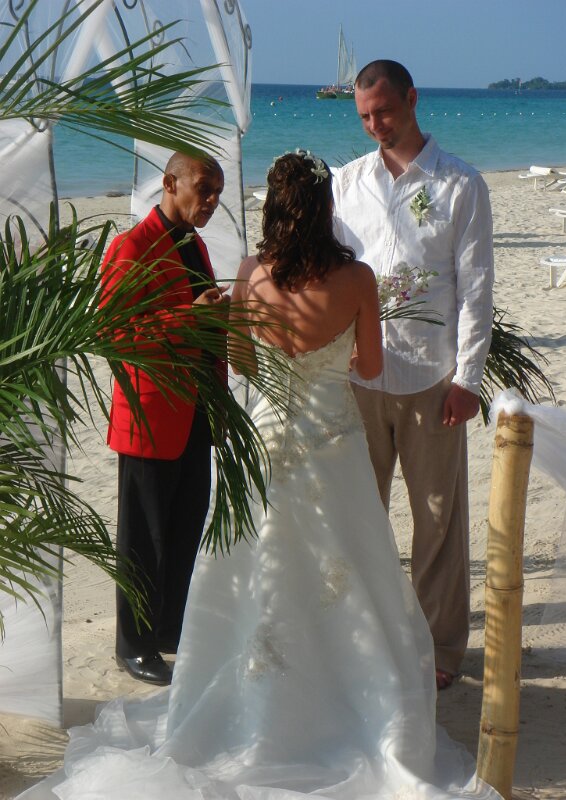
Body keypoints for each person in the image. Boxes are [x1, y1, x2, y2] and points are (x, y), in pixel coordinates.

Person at [15, 150, 501, 800]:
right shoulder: (356, 279)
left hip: (268, 440)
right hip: (332, 441)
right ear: (326, 208)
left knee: (257, 561)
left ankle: (251, 692)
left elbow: (240, 362)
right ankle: (349, 687)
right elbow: (367, 362)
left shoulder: (251, 273)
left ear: (272, 210)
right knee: (347, 565)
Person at [333, 60, 494, 690]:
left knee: (437, 519)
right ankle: (362, 636)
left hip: (433, 377)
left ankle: (442, 647)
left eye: (385, 112)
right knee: (359, 513)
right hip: (359, 378)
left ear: (411, 100)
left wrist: (469, 379)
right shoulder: (345, 183)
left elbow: (476, 289)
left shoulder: (461, 184)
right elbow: (327, 272)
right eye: (365, 117)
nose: (376, 125)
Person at [101, 151, 229, 685]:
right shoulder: (133, 247)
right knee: (143, 538)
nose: (213, 201)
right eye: (205, 188)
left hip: (195, 411)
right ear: (169, 183)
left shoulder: (193, 244)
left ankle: (170, 629)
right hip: (151, 417)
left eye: (218, 191)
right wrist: (190, 315)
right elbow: (112, 335)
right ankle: (133, 645)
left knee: (183, 529)